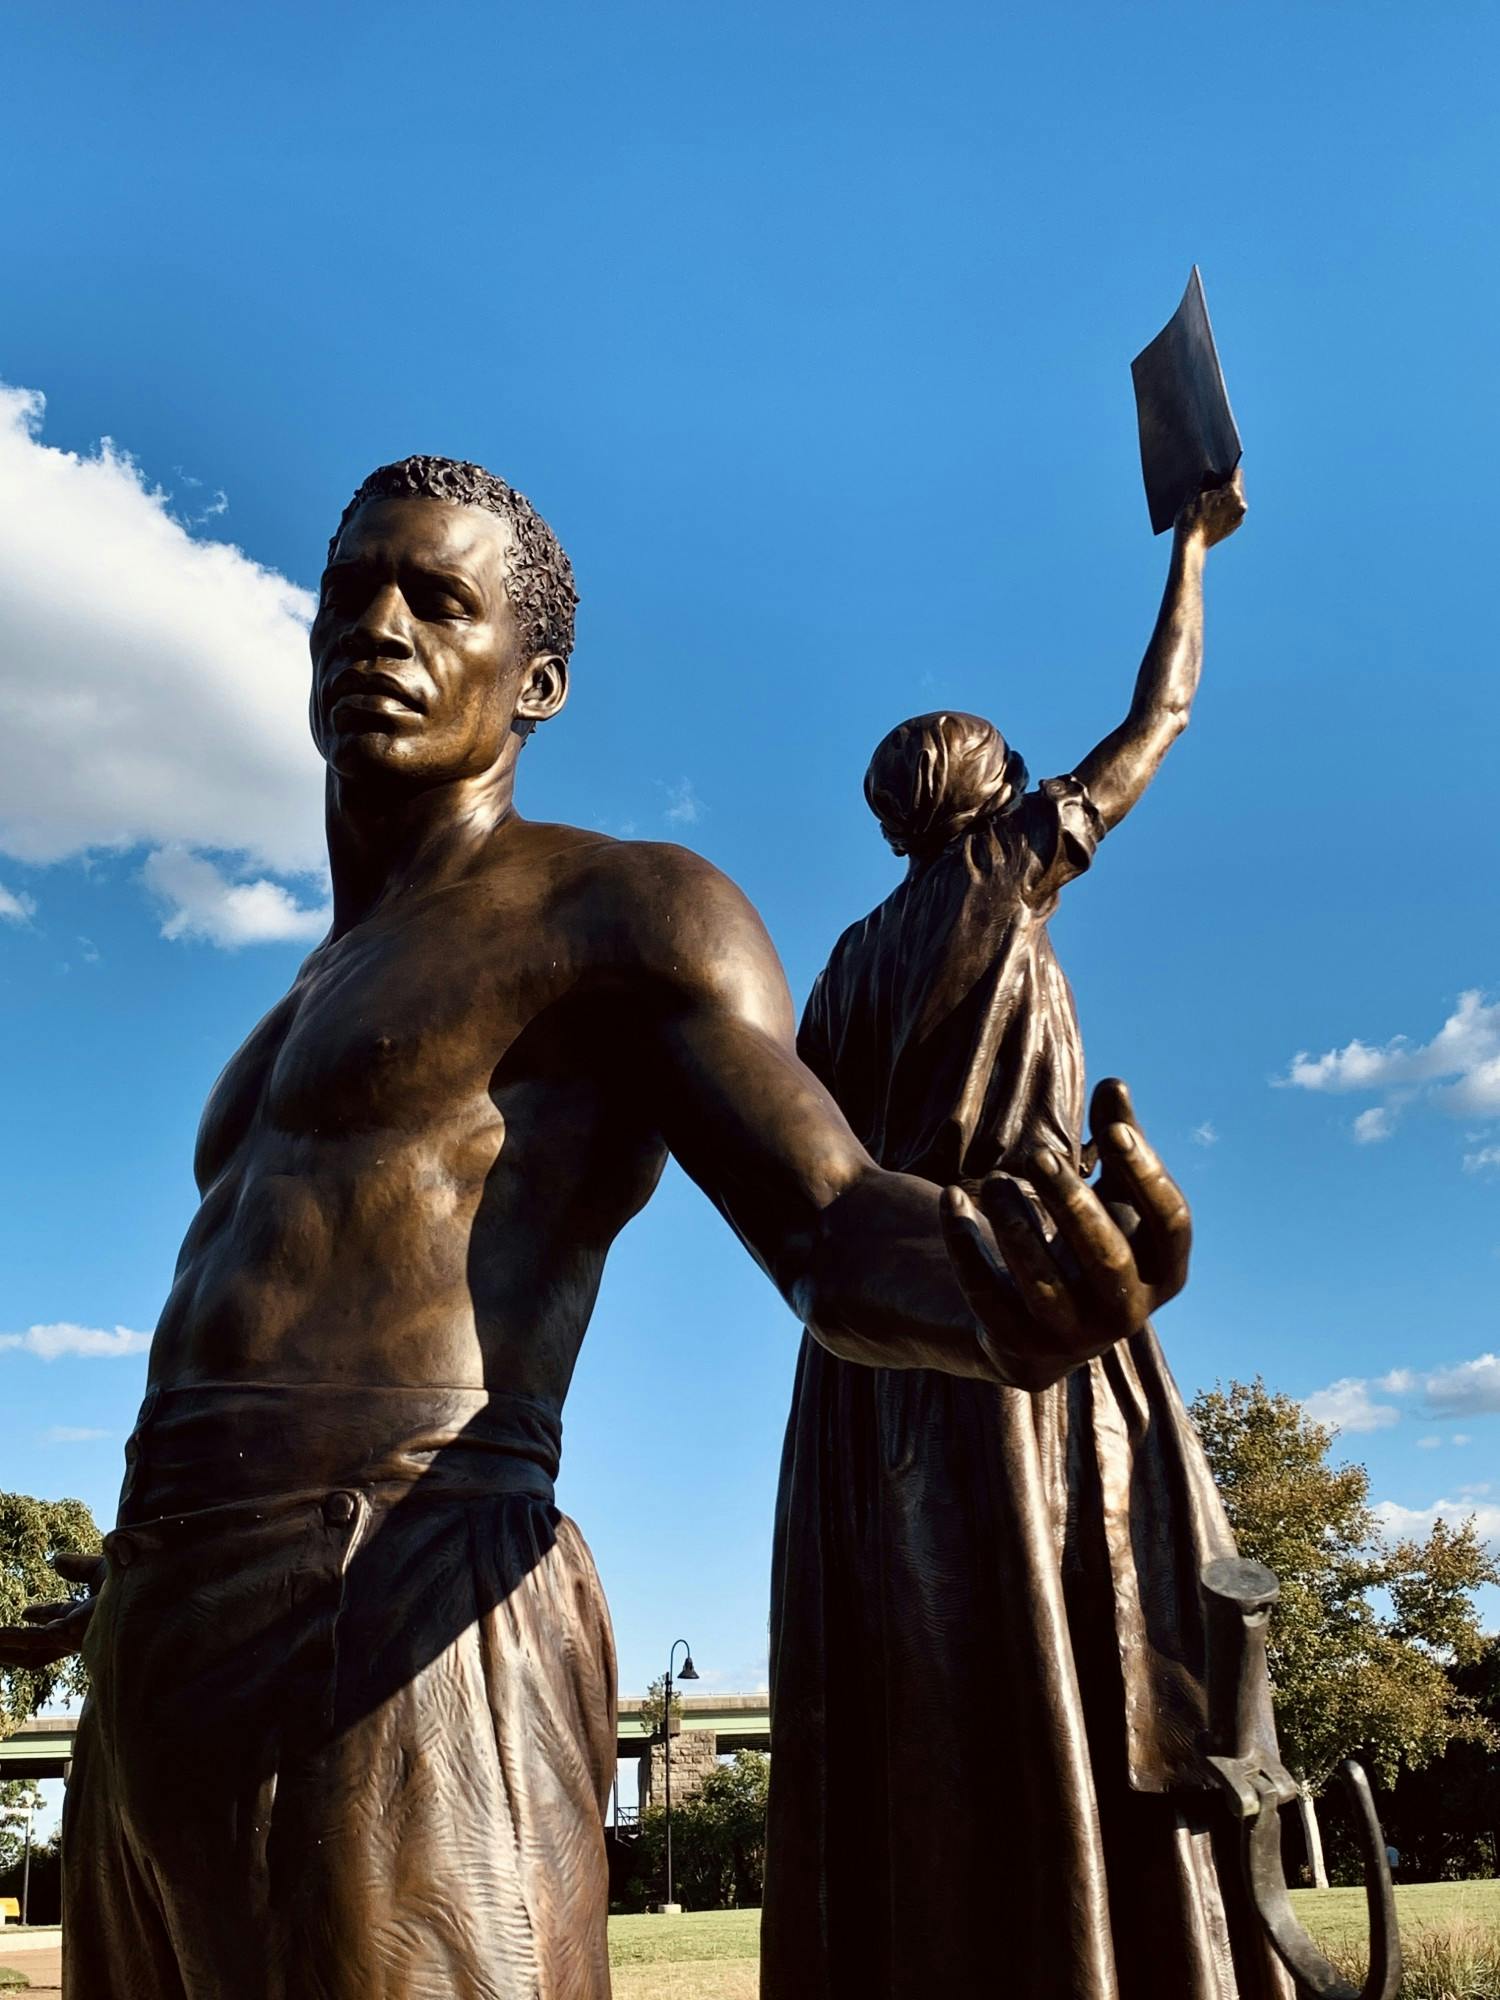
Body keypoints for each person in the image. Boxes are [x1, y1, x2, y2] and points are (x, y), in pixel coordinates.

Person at [0, 457, 1191, 2000]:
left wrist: (996, 1285)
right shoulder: (287, 1010)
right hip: (154, 1655)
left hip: (397, 1602)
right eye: (348, 592)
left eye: (438, 598)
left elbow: (827, 1223)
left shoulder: (625, 912)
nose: (377, 624)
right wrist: (130, 1576)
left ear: (536, 678)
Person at [762, 476, 1292, 2000]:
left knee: (917, 1680)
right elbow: (1164, 713)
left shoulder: (846, 970)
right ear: (987, 795)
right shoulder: (1008, 868)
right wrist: (1193, 548)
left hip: (868, 1355)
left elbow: (805, 1170)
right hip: (1021, 1298)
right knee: (1092, 1612)